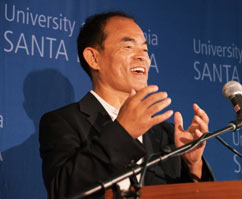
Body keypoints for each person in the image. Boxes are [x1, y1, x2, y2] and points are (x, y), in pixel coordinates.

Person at [39, 11, 214, 199]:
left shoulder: (165, 134)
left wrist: (193, 165)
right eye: (129, 46)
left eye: (145, 50)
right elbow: (63, 191)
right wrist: (123, 132)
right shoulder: (64, 122)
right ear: (94, 58)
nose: (142, 57)